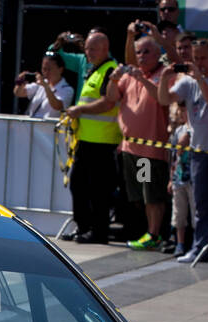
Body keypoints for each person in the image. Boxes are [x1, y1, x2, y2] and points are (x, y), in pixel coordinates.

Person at [159, 37, 208, 263]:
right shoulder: (187, 82)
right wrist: (164, 78)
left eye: (203, 58)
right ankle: (200, 246)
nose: (199, 62)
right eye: (195, 58)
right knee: (201, 202)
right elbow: (164, 99)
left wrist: (200, 79)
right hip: (198, 149)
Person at [105, 34, 170, 250]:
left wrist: (142, 79)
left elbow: (162, 98)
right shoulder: (129, 74)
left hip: (151, 149)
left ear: (157, 53)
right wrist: (114, 79)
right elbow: (112, 97)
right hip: (130, 147)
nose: (141, 56)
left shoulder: (164, 74)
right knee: (138, 196)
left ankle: (154, 233)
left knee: (152, 195)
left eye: (146, 52)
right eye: (139, 52)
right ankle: (147, 231)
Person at [62, 30, 121, 244]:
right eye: (87, 48)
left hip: (103, 142)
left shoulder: (109, 70)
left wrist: (80, 110)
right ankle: (83, 227)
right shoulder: (93, 70)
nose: (88, 53)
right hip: (86, 140)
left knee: (98, 190)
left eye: (93, 49)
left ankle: (98, 231)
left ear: (105, 49)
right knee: (78, 184)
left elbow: (108, 103)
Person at [167, 101, 193, 256]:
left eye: (186, 111)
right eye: (181, 111)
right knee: (179, 213)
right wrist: (171, 179)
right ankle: (180, 243)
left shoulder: (197, 131)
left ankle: (195, 241)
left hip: (192, 178)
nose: (183, 114)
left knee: (196, 212)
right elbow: (173, 158)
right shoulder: (178, 131)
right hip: (179, 177)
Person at [14, 51, 73, 118]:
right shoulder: (40, 84)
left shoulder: (68, 89)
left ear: (60, 70)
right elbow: (18, 93)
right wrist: (19, 82)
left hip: (50, 127)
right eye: (44, 69)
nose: (46, 73)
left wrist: (46, 87)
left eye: (50, 69)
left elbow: (57, 106)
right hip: (32, 126)